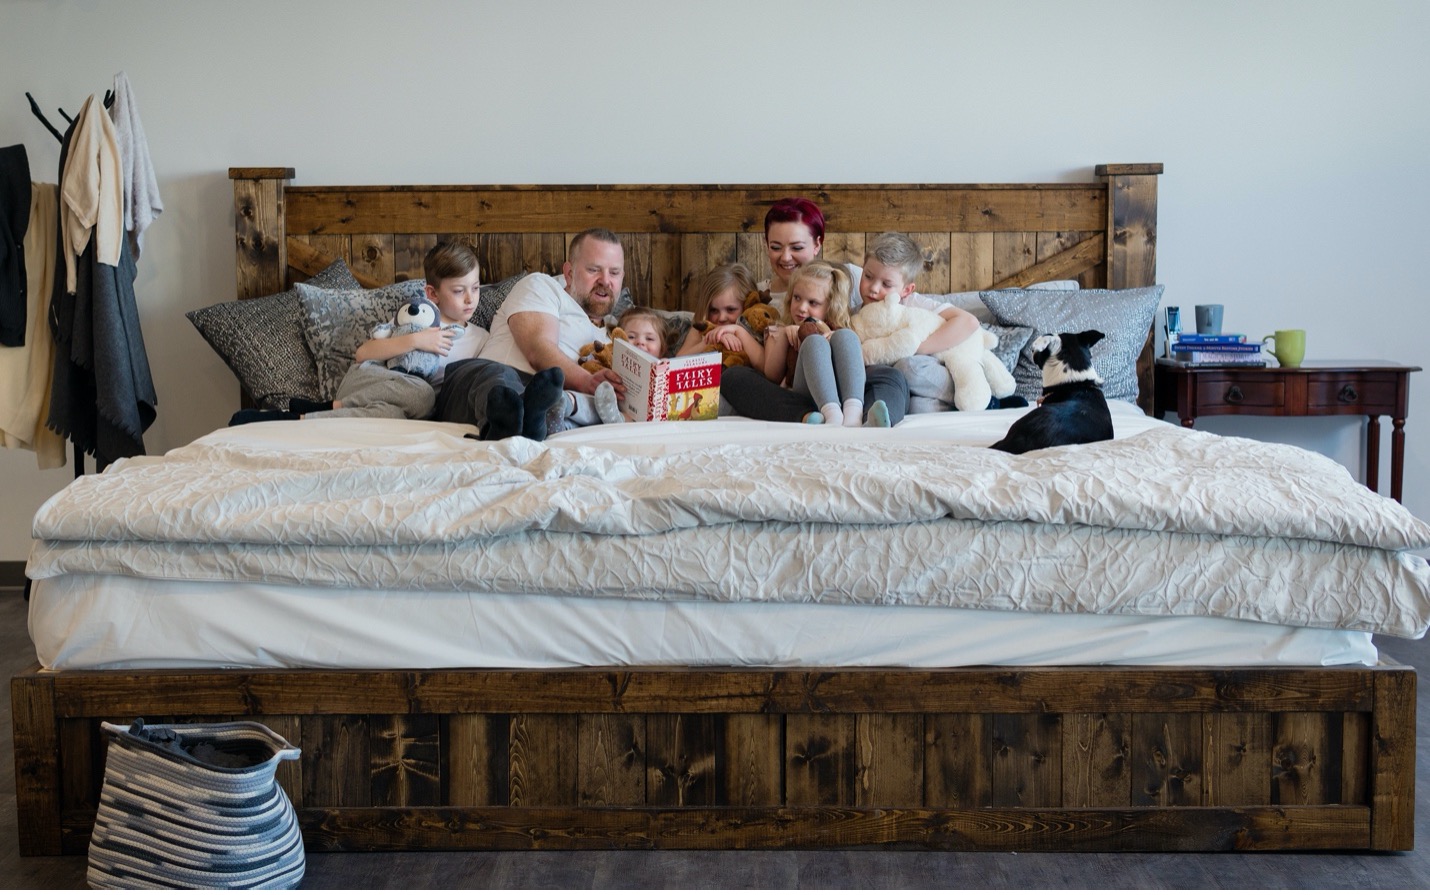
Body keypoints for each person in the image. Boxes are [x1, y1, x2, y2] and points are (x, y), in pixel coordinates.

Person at [229, 240, 487, 425]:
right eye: (458, 291)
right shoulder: (415, 317)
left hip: (400, 409)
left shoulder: (481, 339)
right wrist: (416, 340)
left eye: (475, 288)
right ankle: (330, 405)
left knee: (395, 417)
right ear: (432, 293)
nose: (470, 299)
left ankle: (296, 418)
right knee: (423, 395)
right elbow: (364, 354)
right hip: (366, 380)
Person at [436, 228, 625, 441]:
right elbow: (538, 348)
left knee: (549, 402)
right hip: (477, 387)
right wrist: (588, 383)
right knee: (501, 379)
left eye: (614, 273)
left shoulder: (617, 340)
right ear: (569, 273)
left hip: (546, 403)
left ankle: (530, 428)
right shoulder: (542, 286)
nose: (605, 281)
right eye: (594, 270)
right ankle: (509, 426)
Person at [856, 231, 1027, 410]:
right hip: (905, 388)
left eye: (886, 284)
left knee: (907, 367)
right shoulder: (856, 316)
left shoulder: (914, 303)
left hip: (927, 366)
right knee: (917, 407)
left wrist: (919, 348)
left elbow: (969, 322)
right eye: (868, 276)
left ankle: (984, 399)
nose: (873, 288)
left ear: (906, 290)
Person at [758, 260, 884, 427]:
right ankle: (832, 417)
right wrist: (784, 334)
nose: (802, 308)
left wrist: (833, 337)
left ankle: (854, 414)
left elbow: (855, 366)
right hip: (804, 397)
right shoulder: (780, 330)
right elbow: (772, 375)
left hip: (841, 396)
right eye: (797, 298)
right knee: (814, 343)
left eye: (813, 303)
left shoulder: (840, 328)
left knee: (847, 336)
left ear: (830, 306)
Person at [675, 262, 765, 367]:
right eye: (714, 310)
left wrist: (739, 331)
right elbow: (677, 361)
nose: (721, 318)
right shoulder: (700, 329)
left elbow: (766, 367)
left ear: (747, 305)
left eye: (730, 309)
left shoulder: (755, 330)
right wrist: (709, 341)